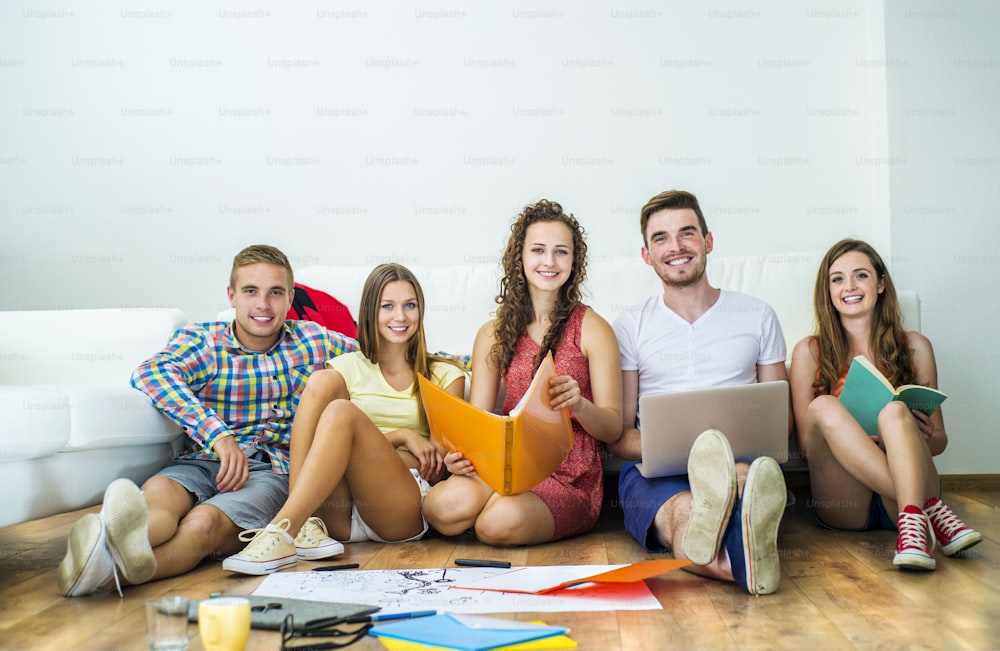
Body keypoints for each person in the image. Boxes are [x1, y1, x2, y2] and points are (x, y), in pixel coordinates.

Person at [57, 245, 357, 597]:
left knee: (202, 524)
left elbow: (386, 354)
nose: (263, 304)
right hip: (200, 460)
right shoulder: (203, 340)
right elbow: (151, 373)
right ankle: (110, 539)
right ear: (231, 295)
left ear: (290, 297)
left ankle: (103, 573)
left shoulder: (316, 341)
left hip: (270, 473)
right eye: (250, 291)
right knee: (157, 499)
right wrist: (219, 436)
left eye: (275, 293)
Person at [222, 263, 466, 574]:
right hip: (335, 514)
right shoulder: (345, 366)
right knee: (323, 383)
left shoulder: (445, 374)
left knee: (341, 413)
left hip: (397, 507)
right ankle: (304, 524)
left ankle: (282, 529)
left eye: (410, 306)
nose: (400, 317)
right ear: (370, 312)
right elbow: (329, 445)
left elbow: (433, 463)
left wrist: (359, 454)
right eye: (387, 306)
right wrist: (402, 436)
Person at [608, 189, 789, 595]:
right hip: (655, 473)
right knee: (686, 511)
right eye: (661, 238)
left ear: (708, 241)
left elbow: (781, 422)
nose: (676, 247)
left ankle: (740, 544)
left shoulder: (757, 315)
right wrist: (697, 455)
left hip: (741, 465)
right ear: (646, 255)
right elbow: (618, 435)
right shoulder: (630, 325)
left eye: (687, 233)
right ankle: (748, 564)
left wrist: (723, 463)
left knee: (742, 479)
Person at [422, 199, 623, 545]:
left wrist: (579, 405)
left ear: (574, 262)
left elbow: (613, 426)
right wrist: (459, 458)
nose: (549, 261)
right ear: (521, 258)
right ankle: (493, 504)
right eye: (538, 250)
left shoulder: (593, 328)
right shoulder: (492, 333)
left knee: (495, 524)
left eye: (561, 252)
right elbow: (479, 419)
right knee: (439, 506)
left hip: (569, 474)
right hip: (507, 464)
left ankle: (500, 511)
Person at [789, 238, 981, 571]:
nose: (849, 286)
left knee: (894, 411)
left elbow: (940, 442)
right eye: (837, 279)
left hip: (901, 507)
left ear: (879, 284)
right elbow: (807, 445)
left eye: (860, 275)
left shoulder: (917, 347)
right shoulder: (809, 351)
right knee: (822, 407)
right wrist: (867, 441)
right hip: (844, 498)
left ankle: (912, 523)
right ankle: (931, 508)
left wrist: (918, 432)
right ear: (828, 291)